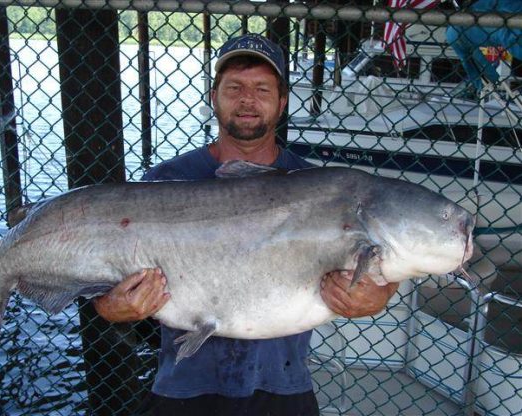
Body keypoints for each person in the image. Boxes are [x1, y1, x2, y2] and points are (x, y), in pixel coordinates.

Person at [93, 33, 399, 416]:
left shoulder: (319, 186)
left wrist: (379, 297)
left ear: (282, 102)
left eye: (261, 88)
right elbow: (102, 281)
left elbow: (389, 254)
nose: (247, 99)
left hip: (283, 385)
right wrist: (111, 308)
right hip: (183, 384)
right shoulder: (164, 181)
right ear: (213, 96)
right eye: (234, 87)